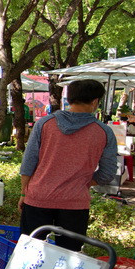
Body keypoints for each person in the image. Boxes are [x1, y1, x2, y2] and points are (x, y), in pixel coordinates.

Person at [18, 79, 119, 251]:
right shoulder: (104, 132)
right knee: (68, 257)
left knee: (30, 254)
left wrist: (23, 193)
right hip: (75, 203)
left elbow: (28, 163)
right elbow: (108, 173)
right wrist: (84, 183)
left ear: (69, 99)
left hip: (38, 199)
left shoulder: (44, 124)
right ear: (95, 101)